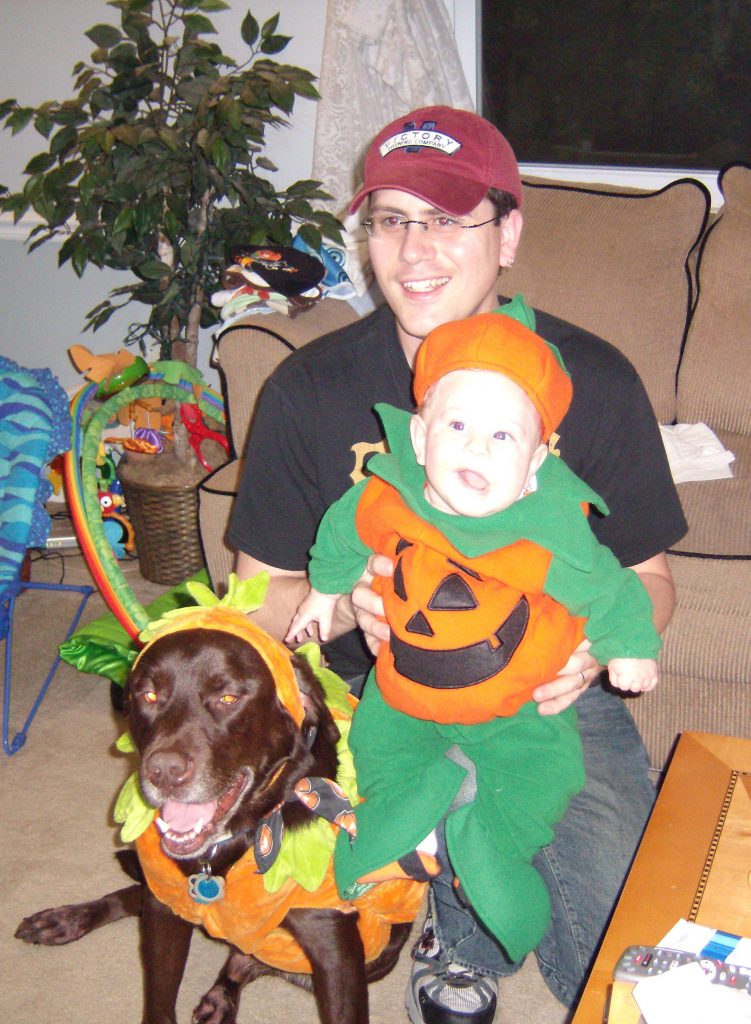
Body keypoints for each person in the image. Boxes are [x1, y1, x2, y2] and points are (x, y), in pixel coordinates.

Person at [228, 105, 686, 1022]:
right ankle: (452, 918)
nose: (415, 249)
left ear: (508, 233)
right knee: (255, 887)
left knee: (621, 952)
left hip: (545, 705)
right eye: (392, 218)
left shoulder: (588, 379)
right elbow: (253, 602)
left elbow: (650, 584)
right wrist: (344, 608)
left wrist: (591, 654)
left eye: (447, 219)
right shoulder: (307, 389)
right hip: (374, 706)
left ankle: (462, 895)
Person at [284, 306, 661, 965]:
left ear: (536, 462)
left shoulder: (545, 533)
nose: (475, 447)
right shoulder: (391, 495)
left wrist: (624, 645)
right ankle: (393, 823)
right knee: (378, 751)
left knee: (542, 777)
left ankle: (492, 845)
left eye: (502, 437)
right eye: (456, 426)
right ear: (421, 436)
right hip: (402, 695)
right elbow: (346, 527)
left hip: (518, 709)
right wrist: (327, 591)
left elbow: (610, 586)